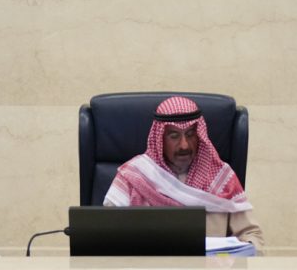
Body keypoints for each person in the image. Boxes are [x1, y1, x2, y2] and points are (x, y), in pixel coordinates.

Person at [103, 95, 263, 249]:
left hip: (209, 267)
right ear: (160, 139)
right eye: (174, 136)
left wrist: (241, 253)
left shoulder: (221, 178)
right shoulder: (134, 175)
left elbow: (252, 234)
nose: (184, 145)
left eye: (190, 134)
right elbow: (107, 234)